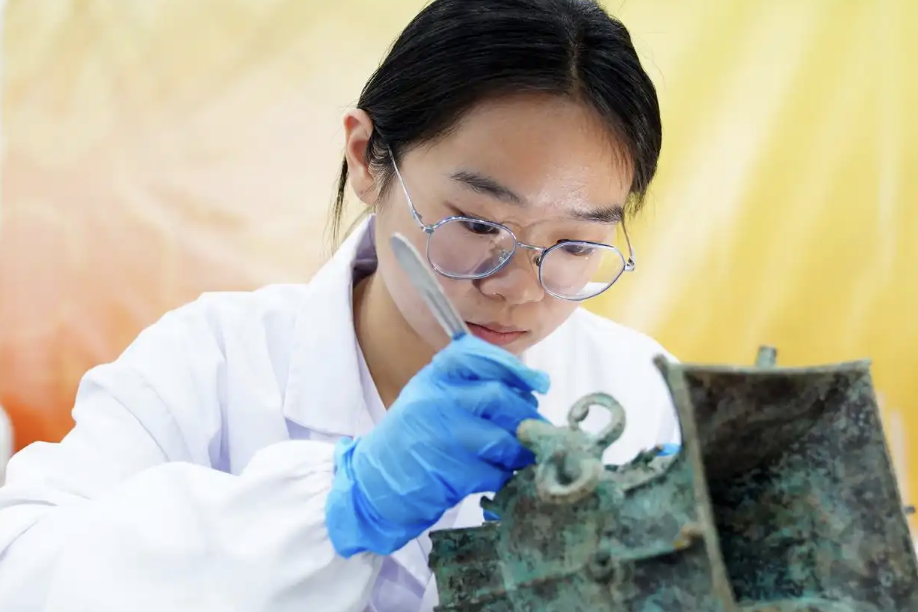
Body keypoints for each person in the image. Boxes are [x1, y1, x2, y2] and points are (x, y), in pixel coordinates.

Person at [0, 1, 680, 610]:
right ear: (364, 157)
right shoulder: (212, 365)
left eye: (575, 245)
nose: (519, 288)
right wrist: (342, 503)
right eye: (477, 225)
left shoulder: (643, 395)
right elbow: (23, 570)